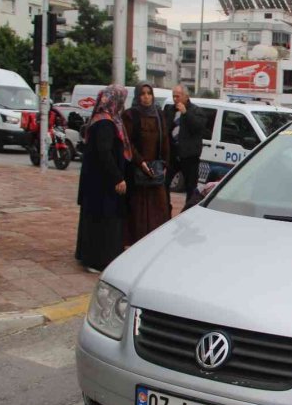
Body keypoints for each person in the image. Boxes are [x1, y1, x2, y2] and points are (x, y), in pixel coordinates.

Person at [75, 85, 130, 273]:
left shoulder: (100, 119)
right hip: (103, 183)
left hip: (96, 182)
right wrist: (117, 178)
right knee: (104, 221)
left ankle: (89, 257)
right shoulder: (106, 123)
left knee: (93, 220)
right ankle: (98, 261)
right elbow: (105, 153)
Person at [122, 82, 170, 245]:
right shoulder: (130, 115)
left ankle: (156, 241)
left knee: (159, 205)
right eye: (142, 94)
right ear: (137, 96)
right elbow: (128, 143)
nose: (146, 97)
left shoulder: (159, 114)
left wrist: (164, 164)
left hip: (156, 168)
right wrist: (140, 162)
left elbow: (165, 141)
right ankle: (137, 241)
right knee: (139, 208)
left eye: (149, 93)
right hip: (138, 169)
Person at [164, 85, 209, 207]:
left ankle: (187, 210)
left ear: (186, 96)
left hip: (189, 156)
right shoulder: (169, 110)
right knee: (164, 183)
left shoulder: (196, 111)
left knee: (190, 187)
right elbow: (165, 129)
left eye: (178, 96)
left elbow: (198, 127)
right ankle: (166, 208)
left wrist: (185, 113)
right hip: (173, 154)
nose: (175, 99)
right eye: (173, 96)